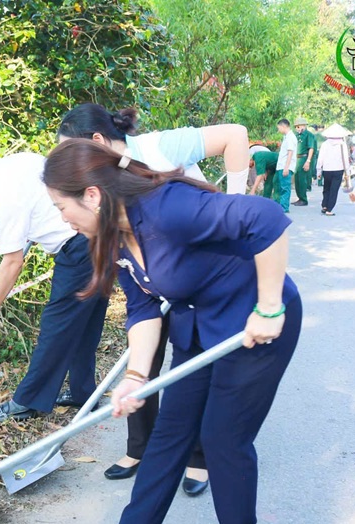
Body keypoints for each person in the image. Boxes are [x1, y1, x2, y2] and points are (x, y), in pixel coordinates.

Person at [42, 139, 301, 524]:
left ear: (92, 196)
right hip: (198, 327)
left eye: (61, 206)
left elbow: (267, 220)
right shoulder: (112, 238)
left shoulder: (168, 207)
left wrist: (270, 304)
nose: (61, 218)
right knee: (169, 432)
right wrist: (137, 378)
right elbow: (143, 309)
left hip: (255, 322)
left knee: (223, 436)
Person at [55, 103, 250, 496]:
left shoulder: (159, 148)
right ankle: (140, 449)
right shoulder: (98, 196)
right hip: (146, 276)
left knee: (193, 362)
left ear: (96, 143)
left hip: (195, 276)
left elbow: (235, 135)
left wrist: (234, 205)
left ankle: (199, 456)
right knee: (141, 361)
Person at [0, 134, 108, 422]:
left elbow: (12, 262)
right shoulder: (23, 160)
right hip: (98, 237)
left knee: (55, 329)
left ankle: (26, 403)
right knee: (84, 324)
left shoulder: (4, 194)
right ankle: (83, 393)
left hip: (77, 248)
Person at [316, 124, 352, 216]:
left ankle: (324, 205)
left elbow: (320, 158)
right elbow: (345, 159)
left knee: (326, 188)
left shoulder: (325, 144)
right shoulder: (342, 144)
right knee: (334, 190)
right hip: (338, 170)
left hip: (326, 170)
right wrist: (347, 172)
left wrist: (318, 170)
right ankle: (329, 209)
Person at [292, 117, 315, 207]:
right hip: (296, 158)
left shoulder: (309, 135)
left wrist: (308, 161)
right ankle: (299, 198)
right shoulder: (296, 135)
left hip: (303, 158)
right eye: (296, 126)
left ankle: (303, 199)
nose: (297, 128)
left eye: (299, 126)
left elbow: (311, 148)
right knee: (296, 179)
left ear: (304, 126)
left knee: (302, 179)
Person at [275, 119, 297, 213]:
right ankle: (282, 206)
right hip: (282, 166)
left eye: (279, 128)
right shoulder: (286, 137)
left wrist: (286, 168)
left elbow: (290, 152)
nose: (278, 130)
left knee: (285, 187)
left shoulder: (290, 137)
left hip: (285, 167)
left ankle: (284, 208)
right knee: (282, 187)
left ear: (284, 126)